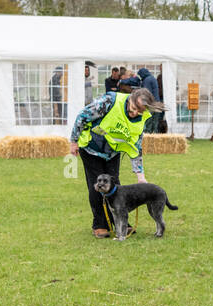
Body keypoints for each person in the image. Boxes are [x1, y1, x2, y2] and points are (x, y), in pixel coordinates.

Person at [69, 86, 160, 237]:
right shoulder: (109, 101)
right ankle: (99, 225)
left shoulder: (140, 121)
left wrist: (140, 177)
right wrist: (74, 141)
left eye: (140, 110)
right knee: (97, 186)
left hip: (112, 152)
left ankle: (121, 223)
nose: (135, 112)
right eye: (134, 107)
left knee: (115, 186)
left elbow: (135, 148)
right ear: (130, 98)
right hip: (91, 147)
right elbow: (82, 116)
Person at [138, 67, 164, 136]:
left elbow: (146, 93)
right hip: (158, 104)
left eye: (140, 75)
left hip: (151, 105)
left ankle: (147, 138)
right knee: (155, 124)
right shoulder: (153, 78)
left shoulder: (146, 80)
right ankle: (155, 139)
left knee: (148, 124)